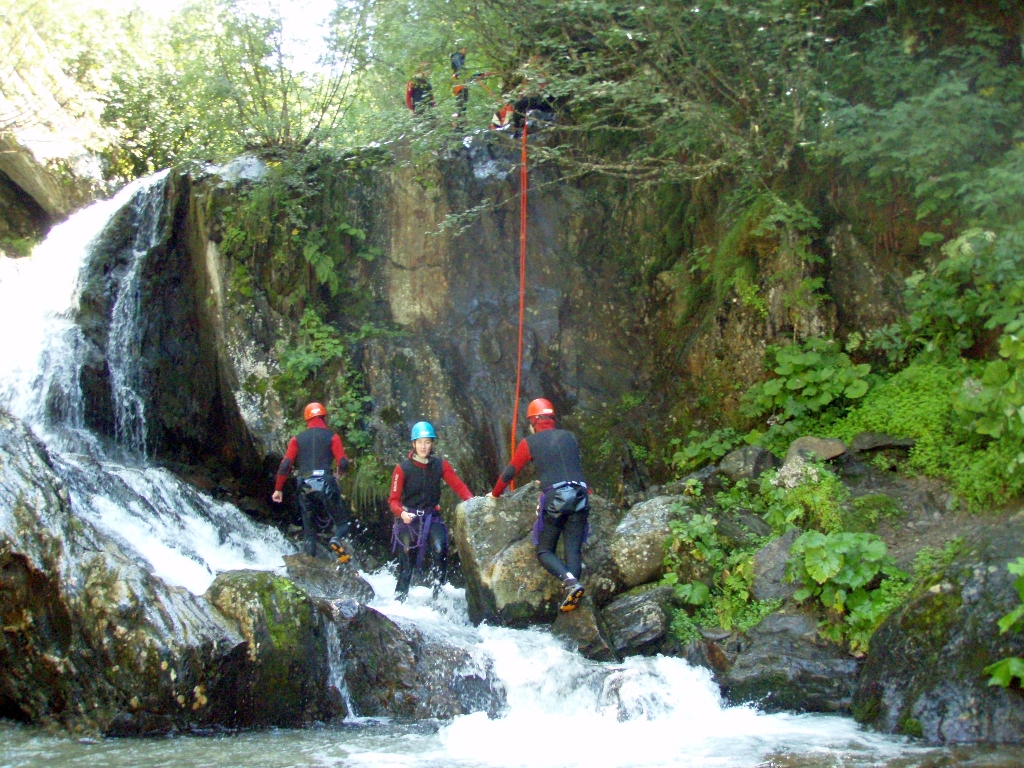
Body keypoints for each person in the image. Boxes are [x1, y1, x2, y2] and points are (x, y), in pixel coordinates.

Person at [487, 398, 589, 612]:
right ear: (551, 419)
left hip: (557, 498)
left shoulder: (530, 443)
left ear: (533, 422)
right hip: (580, 494)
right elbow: (571, 467)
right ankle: (574, 591)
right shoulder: (570, 437)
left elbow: (510, 473)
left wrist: (495, 494)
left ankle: (570, 583)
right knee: (573, 550)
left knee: (544, 550)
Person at [388, 421, 473, 600]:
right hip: (408, 519)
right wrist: (402, 514)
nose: (423, 446)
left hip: (431, 517)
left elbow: (458, 485)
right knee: (406, 563)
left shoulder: (440, 465)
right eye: (420, 442)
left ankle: (438, 596)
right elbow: (393, 500)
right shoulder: (402, 469)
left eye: (427, 442)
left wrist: (472, 501)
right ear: (413, 444)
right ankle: (399, 600)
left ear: (432, 443)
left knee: (441, 549)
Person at [272, 402, 353, 563]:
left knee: (309, 533)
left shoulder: (297, 439)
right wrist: (339, 473)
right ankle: (336, 540)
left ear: (306, 419)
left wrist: (278, 489)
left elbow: (285, 465)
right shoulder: (333, 437)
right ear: (324, 417)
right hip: (326, 483)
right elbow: (342, 462)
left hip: (305, 485)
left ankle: (310, 563)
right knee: (343, 523)